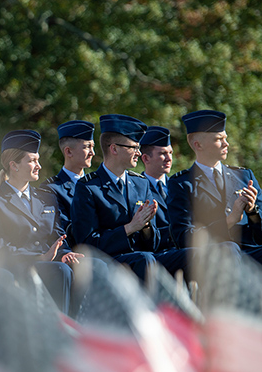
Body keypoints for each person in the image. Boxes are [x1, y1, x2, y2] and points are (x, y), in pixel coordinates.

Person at [0, 130, 87, 314]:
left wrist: (65, 253)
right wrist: (37, 258)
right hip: (17, 265)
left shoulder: (46, 198)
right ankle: (62, 332)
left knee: (85, 268)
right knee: (60, 271)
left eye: (38, 160)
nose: (38, 165)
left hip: (50, 263)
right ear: (14, 165)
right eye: (32, 161)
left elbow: (57, 235)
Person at [72, 115, 162, 280]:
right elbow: (87, 244)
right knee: (146, 260)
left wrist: (146, 226)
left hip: (143, 258)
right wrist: (130, 228)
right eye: (134, 147)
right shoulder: (89, 187)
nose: (139, 153)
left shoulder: (140, 183)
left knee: (189, 255)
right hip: (108, 263)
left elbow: (153, 245)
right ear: (114, 149)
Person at [168, 110, 262, 261]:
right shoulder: (182, 184)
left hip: (250, 253)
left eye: (226, 138)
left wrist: (252, 212)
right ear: (198, 145)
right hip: (212, 258)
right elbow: (184, 238)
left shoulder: (244, 176)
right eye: (219, 139)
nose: (227, 144)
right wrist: (230, 220)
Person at [40, 120, 95, 247]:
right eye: (87, 147)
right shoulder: (52, 189)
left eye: (93, 147)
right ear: (69, 152)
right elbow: (63, 230)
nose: (93, 153)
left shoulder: (96, 184)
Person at [140, 126, 176, 252]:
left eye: (170, 153)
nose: (169, 158)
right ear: (145, 158)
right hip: (159, 254)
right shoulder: (138, 188)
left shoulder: (178, 185)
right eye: (162, 153)